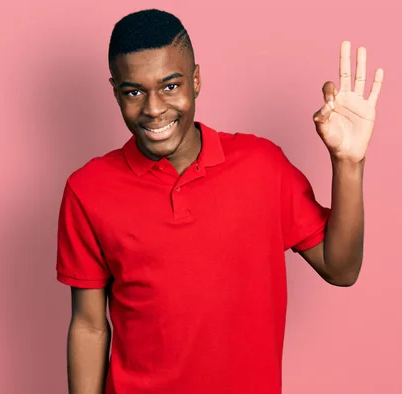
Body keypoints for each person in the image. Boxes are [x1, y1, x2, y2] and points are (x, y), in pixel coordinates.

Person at [56, 8, 384, 394]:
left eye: (170, 86)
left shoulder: (261, 166)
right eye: (134, 92)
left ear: (196, 80)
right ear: (115, 91)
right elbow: (90, 325)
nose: (154, 108)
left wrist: (348, 163)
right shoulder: (88, 189)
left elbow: (341, 269)